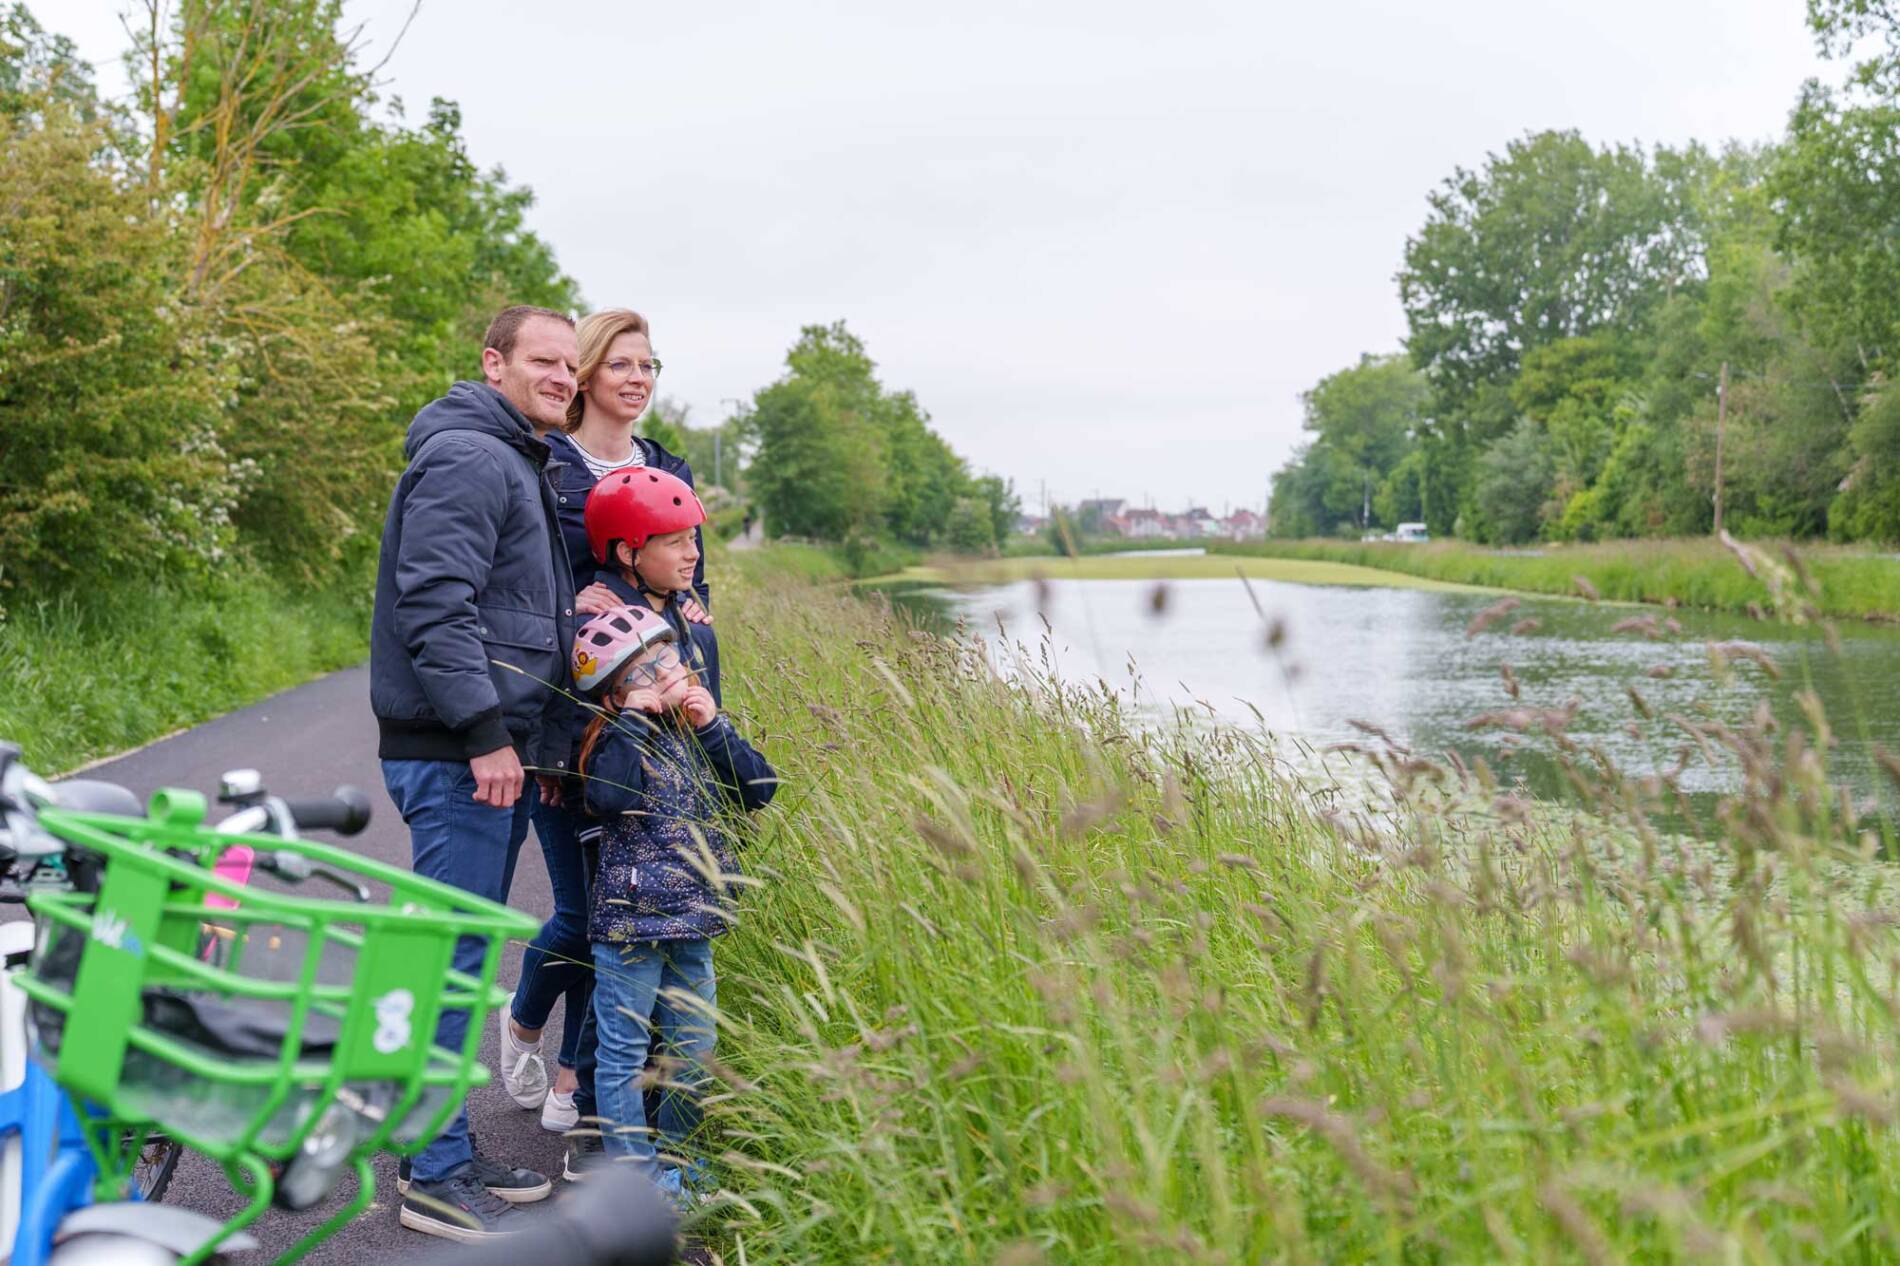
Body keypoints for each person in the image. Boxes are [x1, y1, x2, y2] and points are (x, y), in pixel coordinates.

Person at [369, 304, 579, 1241]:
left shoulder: (511, 454)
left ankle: (443, 1142)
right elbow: (438, 605)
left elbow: (510, 616)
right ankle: (434, 1176)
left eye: (570, 364)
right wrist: (488, 733)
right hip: (457, 752)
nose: (562, 377)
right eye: (544, 360)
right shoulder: (470, 456)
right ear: (494, 363)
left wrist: (523, 744)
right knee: (450, 963)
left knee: (459, 957)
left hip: (482, 750)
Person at [496, 308, 710, 1139]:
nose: (637, 378)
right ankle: (528, 1019)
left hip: (656, 723)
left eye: (649, 364)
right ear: (585, 372)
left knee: (626, 912)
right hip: (568, 724)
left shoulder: (667, 467)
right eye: (620, 363)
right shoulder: (545, 464)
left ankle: (580, 1090)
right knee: (588, 914)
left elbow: (694, 592)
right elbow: (526, 580)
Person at [567, 567, 775, 1202]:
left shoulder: (699, 732)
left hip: (695, 923)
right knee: (625, 1053)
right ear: (611, 695)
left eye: (670, 661)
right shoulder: (612, 743)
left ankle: (680, 1158)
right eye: (643, 673)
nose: (665, 677)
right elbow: (604, 797)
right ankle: (638, 1179)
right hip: (631, 927)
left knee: (693, 1044)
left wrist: (713, 725)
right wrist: (633, 719)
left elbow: (760, 788)